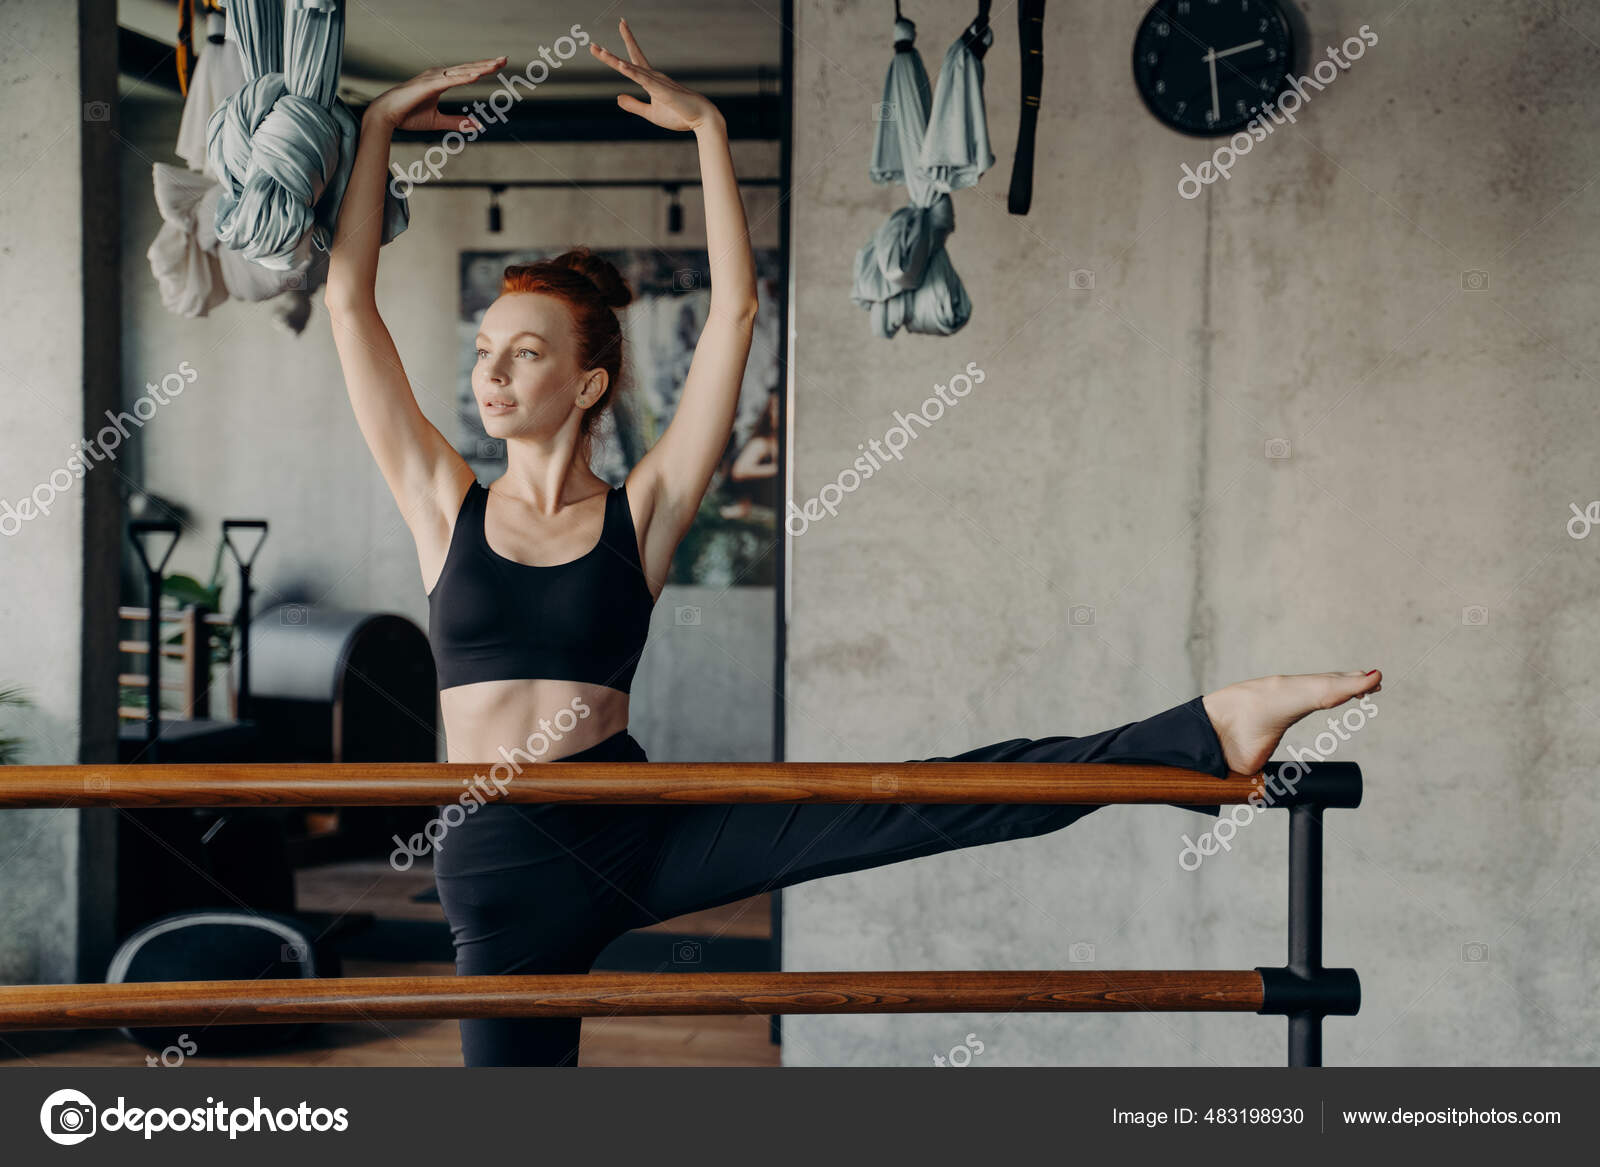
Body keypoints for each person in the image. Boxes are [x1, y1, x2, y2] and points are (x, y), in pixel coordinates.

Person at [326, 20, 1383, 1067]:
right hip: (499, 864)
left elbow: (737, 312)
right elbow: (347, 300)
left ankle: (1205, 731)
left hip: (627, 825)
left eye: (524, 352)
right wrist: (375, 125)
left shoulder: (638, 512)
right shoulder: (442, 502)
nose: (492, 374)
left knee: (913, 801)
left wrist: (708, 132)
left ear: (589, 382)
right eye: (483, 352)